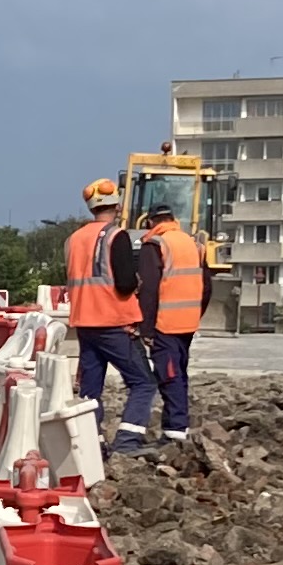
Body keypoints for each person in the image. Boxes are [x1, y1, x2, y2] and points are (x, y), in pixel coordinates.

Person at [61, 177, 157, 452]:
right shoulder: (116, 236)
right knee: (143, 383)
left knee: (90, 390)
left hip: (85, 323)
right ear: (118, 206)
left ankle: (92, 444)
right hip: (114, 322)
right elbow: (124, 283)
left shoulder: (74, 239)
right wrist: (136, 282)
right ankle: (127, 442)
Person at [141, 197, 208, 440]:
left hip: (166, 324)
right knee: (179, 373)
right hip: (187, 323)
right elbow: (207, 287)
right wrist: (195, 313)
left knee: (169, 376)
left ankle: (175, 430)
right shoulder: (193, 244)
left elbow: (149, 289)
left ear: (151, 222)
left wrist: (146, 329)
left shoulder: (155, 244)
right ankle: (178, 426)